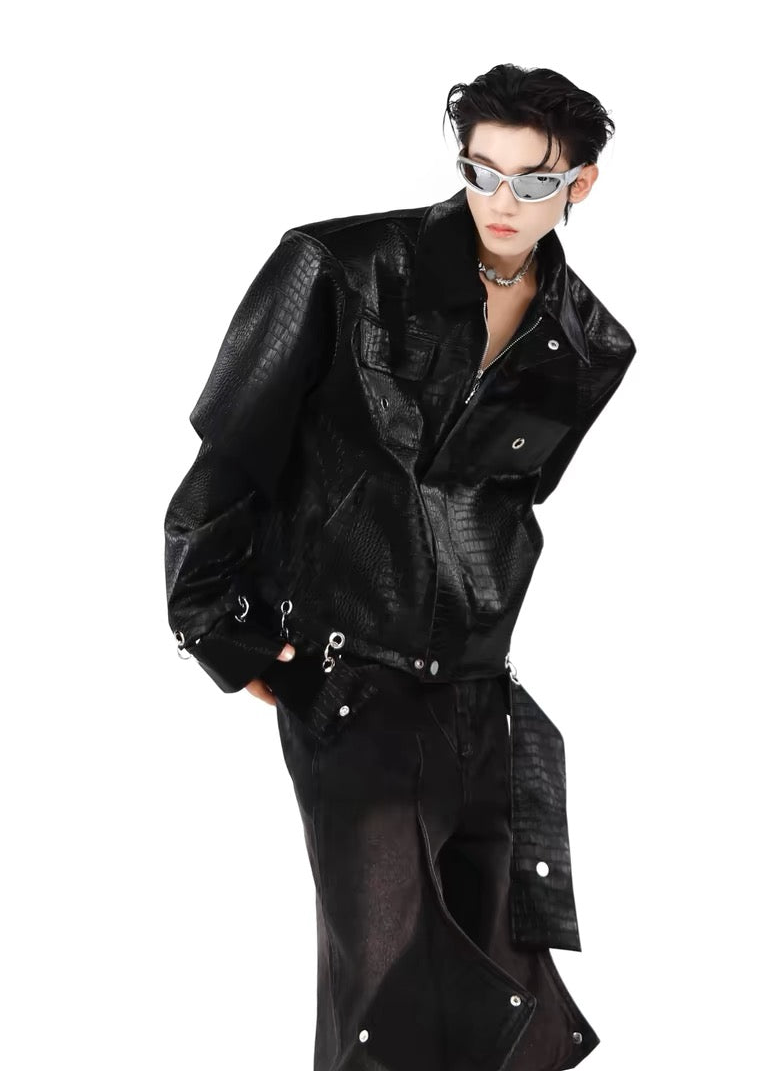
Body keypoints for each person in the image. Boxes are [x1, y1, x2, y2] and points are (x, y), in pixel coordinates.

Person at [163, 62, 637, 1070]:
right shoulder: (337, 268)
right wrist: (230, 638)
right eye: (482, 170)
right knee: (384, 1001)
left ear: (581, 183)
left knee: (506, 1002)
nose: (502, 200)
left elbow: (501, 508)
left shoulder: (589, 344)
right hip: (349, 680)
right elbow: (228, 462)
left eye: (534, 180)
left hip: (480, 695)